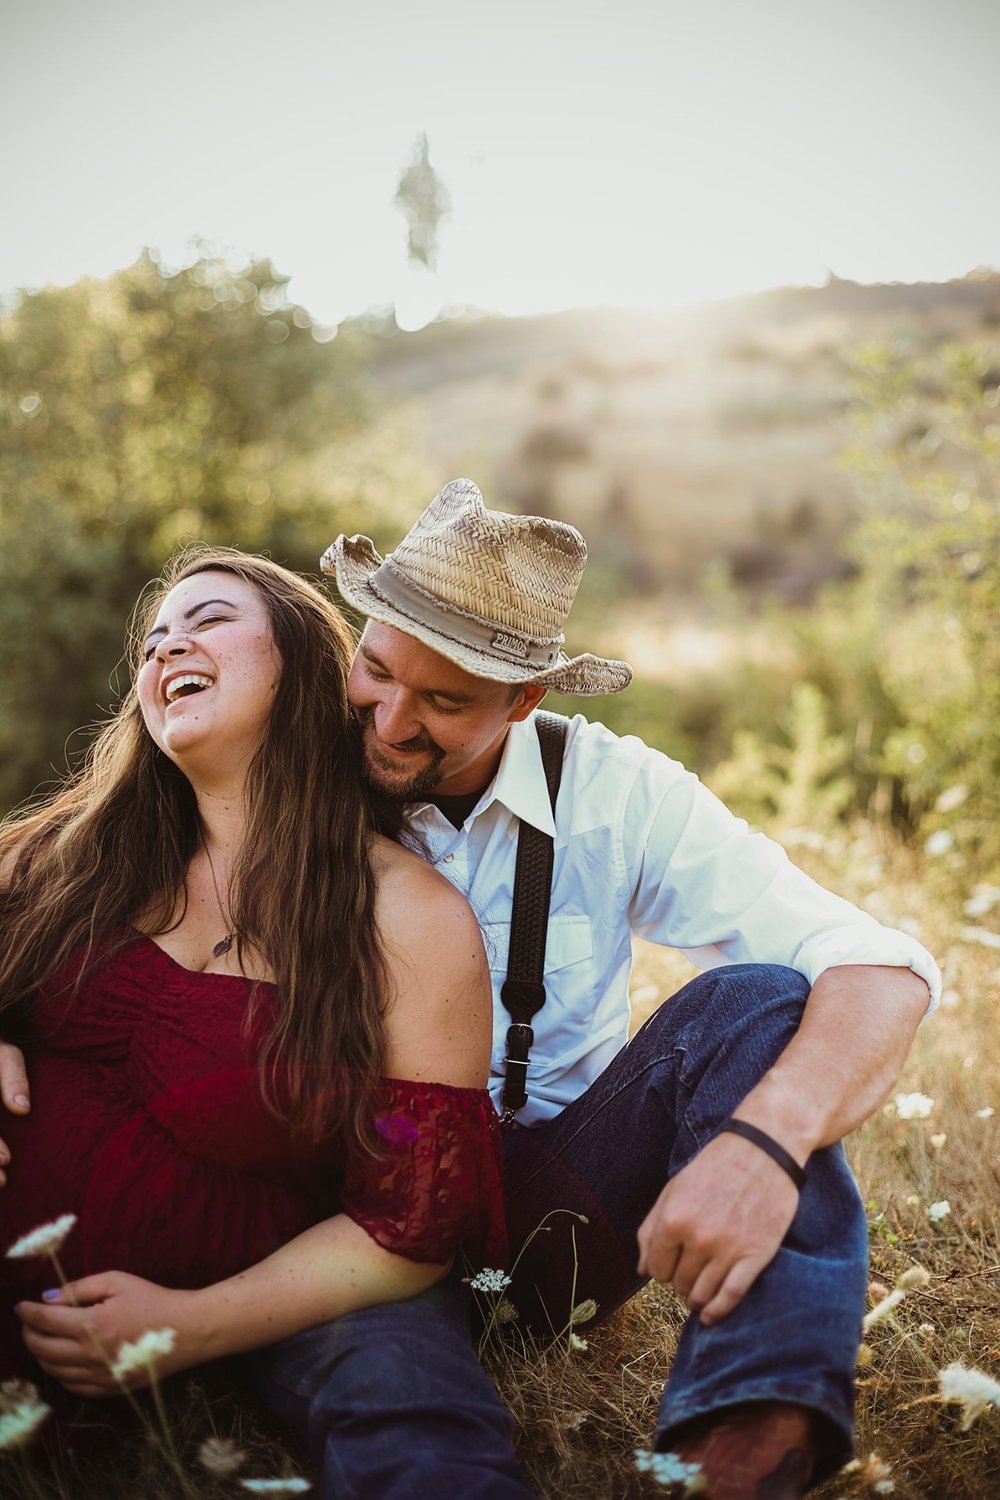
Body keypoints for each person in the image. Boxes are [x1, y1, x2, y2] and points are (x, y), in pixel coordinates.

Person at [296, 477, 936, 1500]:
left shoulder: (611, 791)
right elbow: (74, 871)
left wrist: (763, 1145)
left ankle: (748, 1430)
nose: (386, 719)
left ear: (525, 699)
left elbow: (876, 966)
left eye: (443, 701)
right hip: (347, 1222)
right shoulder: (287, 763)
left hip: (557, 1209)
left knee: (757, 1000)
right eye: (375, 670)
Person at [0, 546, 530, 1495]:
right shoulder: (66, 853)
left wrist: (186, 1328)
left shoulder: (404, 917)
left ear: (303, 667)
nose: (168, 648)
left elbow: (412, 1220)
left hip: (257, 1306)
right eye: (155, 638)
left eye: (205, 620)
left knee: (411, 1408)